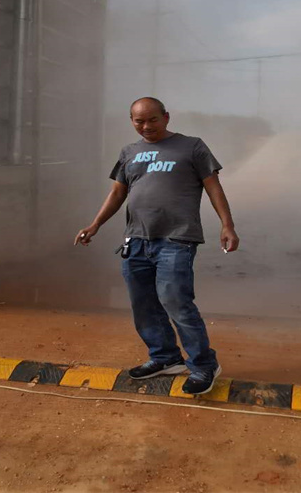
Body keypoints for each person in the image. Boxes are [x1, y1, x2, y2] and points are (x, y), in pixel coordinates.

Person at [75, 97, 239, 395]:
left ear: (165, 117)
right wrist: (95, 224)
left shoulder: (192, 146)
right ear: (131, 121)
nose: (146, 126)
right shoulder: (129, 152)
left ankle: (203, 365)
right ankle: (165, 358)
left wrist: (227, 225)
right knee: (144, 305)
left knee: (176, 301)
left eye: (152, 119)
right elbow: (117, 193)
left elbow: (213, 186)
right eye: (139, 121)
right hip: (136, 240)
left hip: (177, 239)